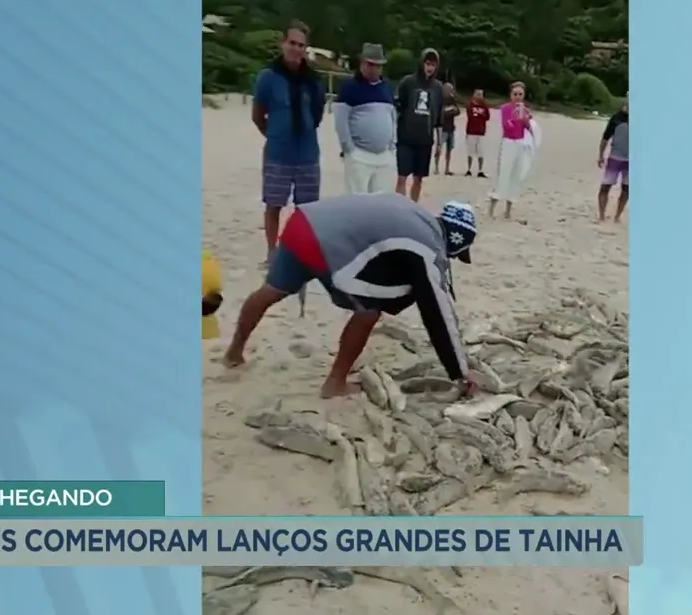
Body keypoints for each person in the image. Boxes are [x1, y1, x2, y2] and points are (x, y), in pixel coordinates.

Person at [223, 194, 479, 399]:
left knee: (271, 291)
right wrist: (460, 373)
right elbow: (437, 310)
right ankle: (335, 383)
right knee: (369, 310)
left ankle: (233, 353)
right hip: (327, 246)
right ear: (455, 242)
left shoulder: (416, 214)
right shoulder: (429, 247)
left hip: (303, 222)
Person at [252, 21, 326, 262]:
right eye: (292, 43)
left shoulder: (314, 81)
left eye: (301, 45)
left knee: (308, 211)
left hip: (307, 155)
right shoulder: (268, 77)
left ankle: (299, 251)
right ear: (283, 43)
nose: (296, 49)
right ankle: (272, 252)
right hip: (277, 154)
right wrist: (274, 134)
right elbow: (257, 114)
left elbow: (317, 114)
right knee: (274, 205)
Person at [335, 43, 397, 194]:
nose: (374, 69)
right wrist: (349, 149)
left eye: (378, 65)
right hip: (359, 155)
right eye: (370, 64)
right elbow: (340, 120)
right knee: (357, 203)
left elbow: (392, 116)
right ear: (362, 63)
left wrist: (391, 145)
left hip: (383, 156)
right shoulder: (349, 87)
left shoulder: (387, 87)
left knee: (380, 204)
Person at [394, 49, 443, 203]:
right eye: (427, 64)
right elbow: (396, 108)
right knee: (402, 176)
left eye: (433, 65)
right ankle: (399, 207)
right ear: (421, 63)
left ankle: (413, 207)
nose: (430, 68)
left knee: (419, 178)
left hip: (425, 140)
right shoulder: (408, 82)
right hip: (406, 138)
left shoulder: (437, 88)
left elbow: (439, 117)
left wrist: (440, 142)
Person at [489, 81, 535, 219]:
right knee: (503, 174)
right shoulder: (505, 108)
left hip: (520, 143)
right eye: (515, 94)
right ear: (510, 95)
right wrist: (517, 119)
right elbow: (506, 126)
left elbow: (530, 128)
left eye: (520, 94)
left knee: (516, 175)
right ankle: (492, 207)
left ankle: (508, 210)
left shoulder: (525, 109)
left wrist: (526, 119)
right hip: (508, 142)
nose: (518, 97)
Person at [597, 100, 629, 223]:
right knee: (605, 186)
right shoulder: (617, 118)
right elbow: (605, 137)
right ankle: (601, 215)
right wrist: (601, 156)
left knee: (627, 190)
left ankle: (617, 216)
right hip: (615, 158)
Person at [463, 89, 490, 177]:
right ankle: (469, 169)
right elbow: (470, 115)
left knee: (481, 152)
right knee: (470, 151)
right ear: (474, 95)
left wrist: (481, 114)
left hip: (481, 131)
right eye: (477, 94)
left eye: (481, 94)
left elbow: (487, 117)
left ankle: (480, 170)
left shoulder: (484, 106)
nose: (479, 96)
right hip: (471, 131)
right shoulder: (470, 105)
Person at [434, 83, 460, 175]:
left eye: (451, 90)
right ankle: (436, 167)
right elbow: (439, 113)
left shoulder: (452, 99)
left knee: (449, 149)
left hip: (451, 128)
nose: (450, 91)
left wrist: (449, 111)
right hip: (442, 127)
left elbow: (457, 111)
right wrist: (450, 111)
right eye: (449, 89)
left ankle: (447, 168)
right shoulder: (439, 99)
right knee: (439, 147)